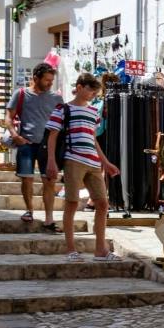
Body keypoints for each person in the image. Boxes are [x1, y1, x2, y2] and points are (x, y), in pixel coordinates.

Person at [47, 73, 120, 259]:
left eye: (95, 93)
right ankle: (70, 249)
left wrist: (105, 162)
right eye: (90, 91)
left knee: (102, 204)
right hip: (73, 160)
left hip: (93, 162)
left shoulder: (93, 112)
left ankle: (101, 250)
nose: (92, 95)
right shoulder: (62, 109)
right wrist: (51, 161)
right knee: (71, 203)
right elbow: (52, 136)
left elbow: (93, 139)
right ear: (79, 87)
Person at [8, 65, 63, 229]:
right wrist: (14, 135)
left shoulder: (56, 98)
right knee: (26, 178)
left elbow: (62, 122)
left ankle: (49, 218)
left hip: (48, 145)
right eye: (47, 80)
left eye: (51, 80)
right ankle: (29, 210)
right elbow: (8, 117)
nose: (49, 83)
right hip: (26, 142)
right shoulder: (21, 94)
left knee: (49, 181)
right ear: (35, 77)